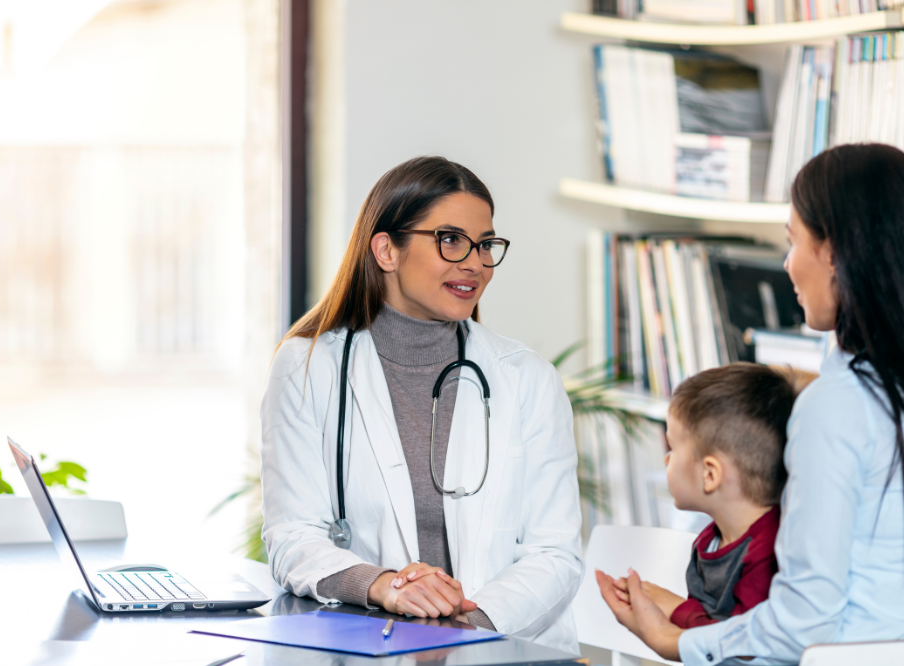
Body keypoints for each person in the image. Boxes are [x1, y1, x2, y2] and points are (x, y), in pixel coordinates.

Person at [259, 156, 584, 651]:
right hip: (371, 647)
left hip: (502, 650)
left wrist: (463, 627)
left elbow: (555, 553)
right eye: (451, 240)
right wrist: (382, 584)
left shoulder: (527, 378)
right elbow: (293, 537)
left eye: (485, 245)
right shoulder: (308, 365)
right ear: (386, 250)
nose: (474, 263)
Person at [597, 143, 904, 664]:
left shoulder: (836, 407)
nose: (787, 265)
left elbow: (805, 620)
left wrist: (678, 641)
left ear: (833, 253)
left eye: (793, 242)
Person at [604, 364, 798, 631]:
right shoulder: (709, 541)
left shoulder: (768, 553)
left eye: (672, 448)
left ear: (710, 474)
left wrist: (674, 608)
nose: (666, 459)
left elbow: (739, 643)